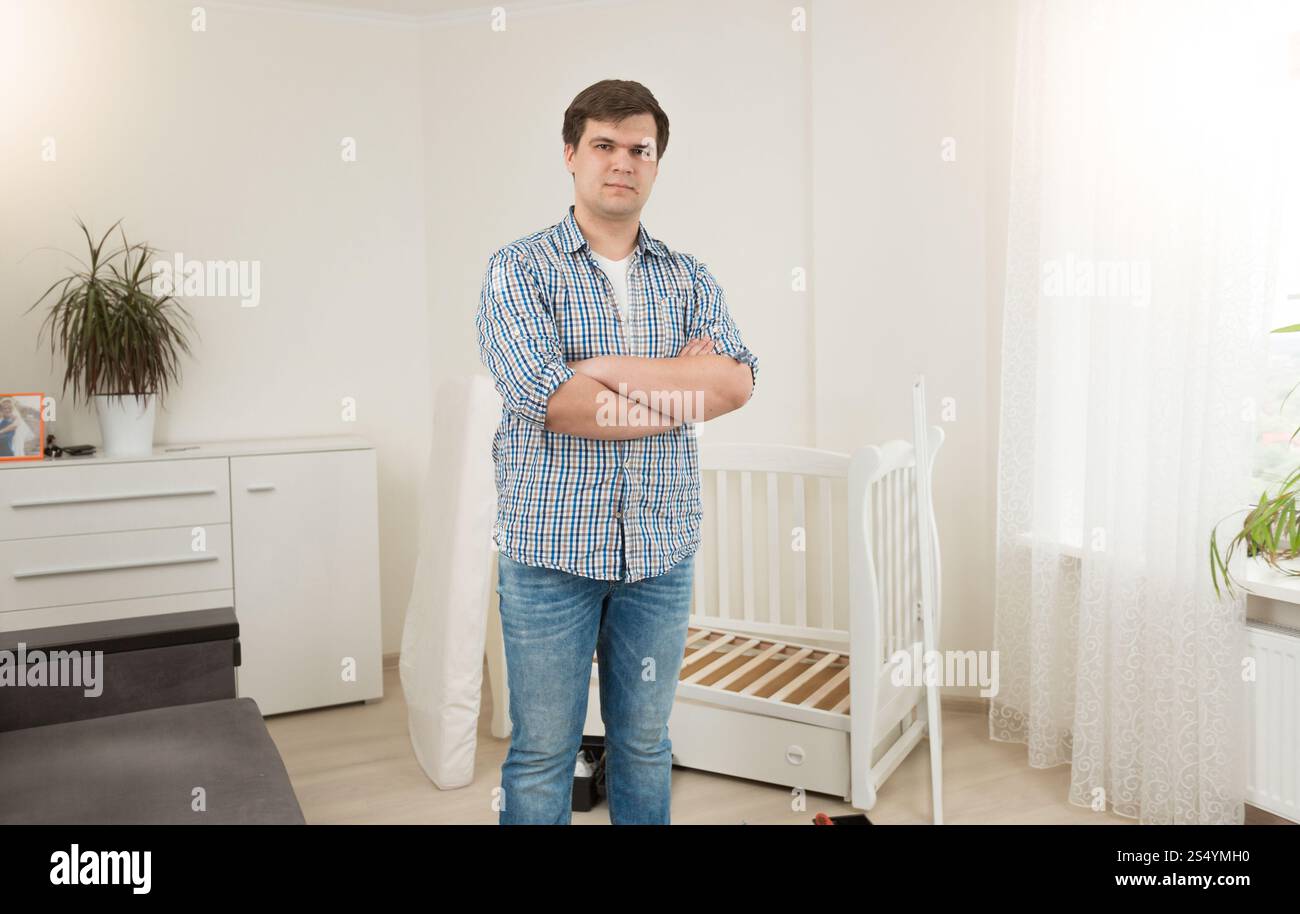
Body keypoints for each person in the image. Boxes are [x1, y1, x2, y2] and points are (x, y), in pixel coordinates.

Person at [475, 79, 759, 825]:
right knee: (543, 752)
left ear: (657, 165)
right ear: (571, 154)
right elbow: (557, 403)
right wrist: (677, 394)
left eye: (640, 149)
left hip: (659, 555)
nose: (622, 162)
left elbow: (734, 384)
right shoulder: (519, 270)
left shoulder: (688, 276)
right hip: (549, 556)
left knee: (644, 744)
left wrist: (603, 365)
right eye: (604, 145)